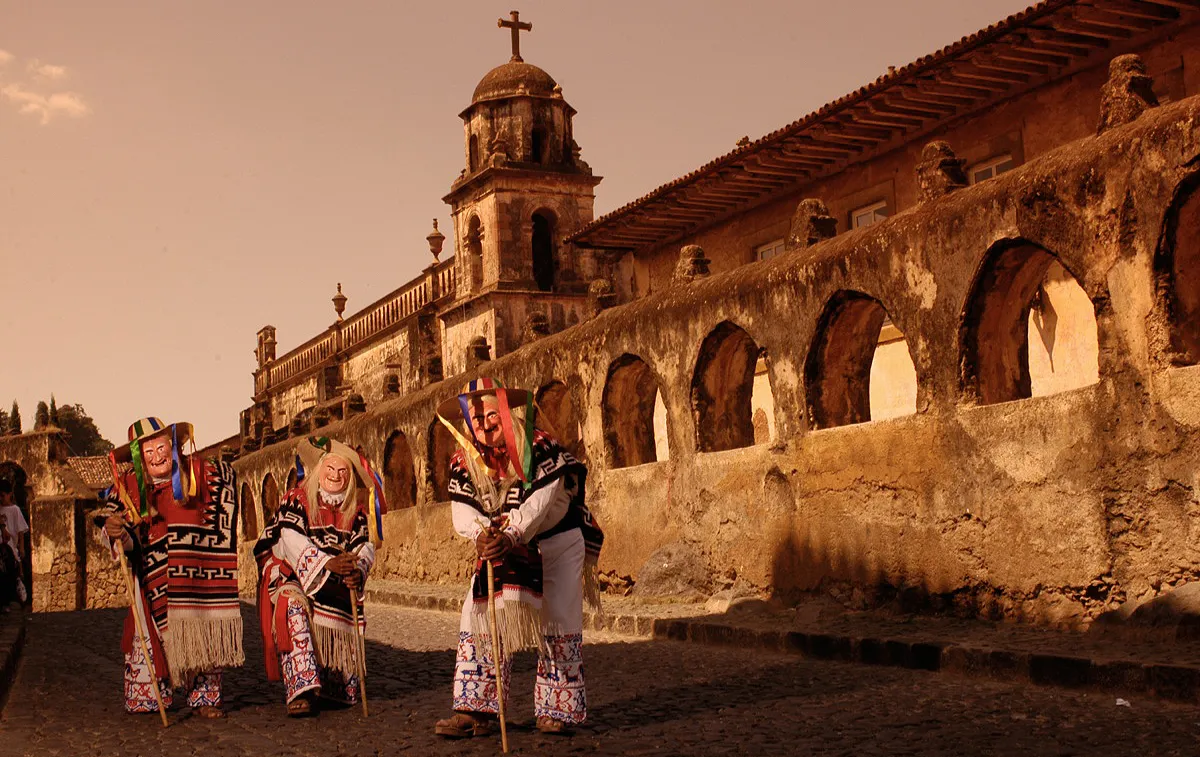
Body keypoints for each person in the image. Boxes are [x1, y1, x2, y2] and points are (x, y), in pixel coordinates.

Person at [433, 377, 603, 739]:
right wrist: (481, 535)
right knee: (477, 611)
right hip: (501, 541)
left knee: (557, 617)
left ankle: (556, 708)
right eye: (476, 418)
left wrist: (511, 533)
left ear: (506, 413)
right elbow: (463, 508)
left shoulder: (538, 447)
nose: (484, 424)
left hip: (555, 542)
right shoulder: (465, 459)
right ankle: (476, 709)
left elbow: (540, 501)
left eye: (491, 415)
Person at [98, 417, 243, 718]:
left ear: (173, 445)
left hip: (195, 573)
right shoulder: (127, 488)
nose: (157, 457)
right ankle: (154, 693)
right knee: (153, 640)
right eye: (147, 452)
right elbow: (121, 533)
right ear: (139, 458)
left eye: (161, 447)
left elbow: (227, 484)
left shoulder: (200, 475)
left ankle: (204, 697)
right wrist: (115, 530)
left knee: (199, 630)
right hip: (152, 577)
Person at [254, 436, 381, 717]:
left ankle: (333, 681)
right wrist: (326, 563)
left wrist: (356, 569)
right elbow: (289, 538)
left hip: (335, 578)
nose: (335, 476)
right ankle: (301, 688)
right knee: (293, 605)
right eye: (330, 469)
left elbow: (365, 546)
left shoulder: (356, 512)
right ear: (319, 470)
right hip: (293, 574)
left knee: (343, 693)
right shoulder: (297, 499)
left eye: (343, 471)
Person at [0, 479, 28, 610]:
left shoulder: (15, 510)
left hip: (11, 546)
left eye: (2, 495)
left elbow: (20, 530)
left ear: (9, 494)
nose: (1, 499)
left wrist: (21, 547)